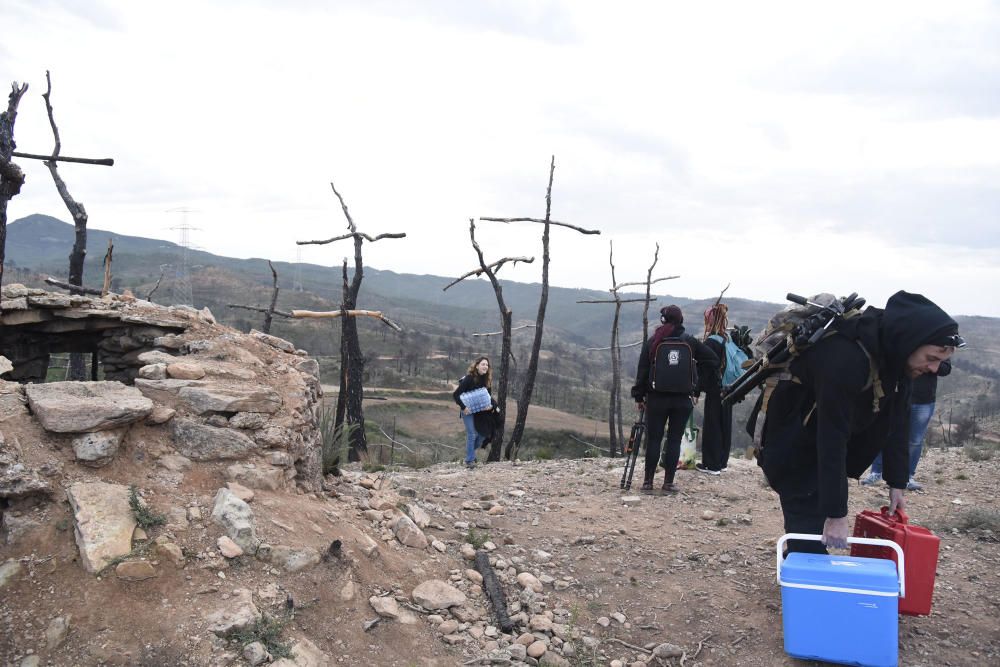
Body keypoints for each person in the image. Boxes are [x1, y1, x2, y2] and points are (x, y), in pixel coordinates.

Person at [756, 291, 963, 555]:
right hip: (792, 441)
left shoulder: (897, 358)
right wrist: (836, 514)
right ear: (910, 342)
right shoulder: (845, 358)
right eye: (931, 358)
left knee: (816, 510)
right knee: (808, 524)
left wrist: (897, 482)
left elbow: (897, 420)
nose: (934, 369)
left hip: (823, 444)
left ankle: (802, 568)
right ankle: (803, 579)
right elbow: (831, 436)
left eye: (941, 362)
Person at [631, 305, 719, 493]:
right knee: (674, 440)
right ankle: (668, 483)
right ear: (681, 320)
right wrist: (697, 386)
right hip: (682, 399)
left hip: (656, 398)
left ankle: (648, 483)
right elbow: (712, 360)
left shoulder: (654, 341)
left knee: (654, 439)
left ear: (663, 320)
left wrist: (639, 395)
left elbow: (643, 370)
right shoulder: (690, 342)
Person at [860, 360, 951, 490]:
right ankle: (876, 472)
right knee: (883, 433)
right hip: (895, 395)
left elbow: (946, 369)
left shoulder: (938, 342)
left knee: (915, 440)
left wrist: (927, 361)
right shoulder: (904, 339)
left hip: (923, 399)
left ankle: (907, 477)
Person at [698, 303, 734, 475]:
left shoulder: (711, 341)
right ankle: (722, 461)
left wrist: (696, 389)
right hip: (728, 388)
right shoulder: (726, 338)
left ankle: (711, 465)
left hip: (715, 389)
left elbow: (705, 368)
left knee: (712, 425)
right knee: (724, 424)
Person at [453, 356, 493, 468]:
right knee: (471, 434)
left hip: (480, 411)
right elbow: (456, 395)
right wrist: (463, 407)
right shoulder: (469, 378)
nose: (485, 366)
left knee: (482, 435)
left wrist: (489, 406)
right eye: (483, 364)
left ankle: (469, 453)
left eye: (487, 365)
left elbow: (488, 398)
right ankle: (469, 460)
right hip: (467, 410)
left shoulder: (487, 381)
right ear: (477, 366)